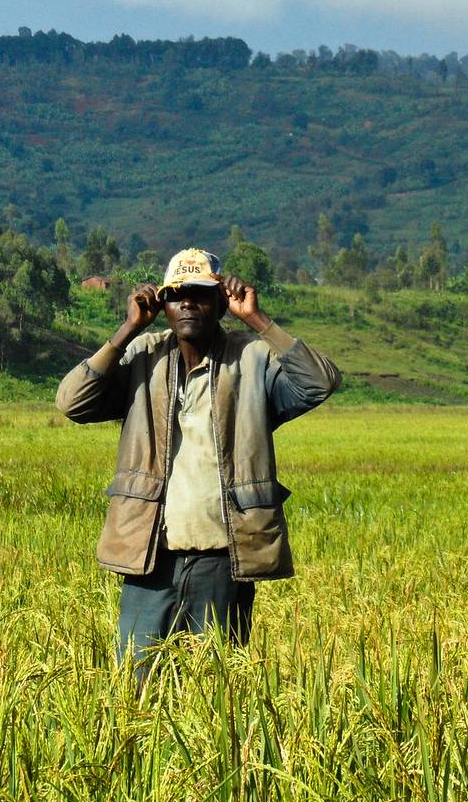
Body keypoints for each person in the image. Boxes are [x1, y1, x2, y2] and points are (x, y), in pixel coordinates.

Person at [56, 248, 341, 686]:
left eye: (201, 294)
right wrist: (128, 327)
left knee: (216, 695)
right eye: (177, 295)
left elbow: (320, 382)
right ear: (162, 305)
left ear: (221, 303)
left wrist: (258, 319)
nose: (188, 303)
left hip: (223, 561)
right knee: (136, 691)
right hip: (149, 559)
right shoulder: (142, 357)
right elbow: (72, 402)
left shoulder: (253, 359)